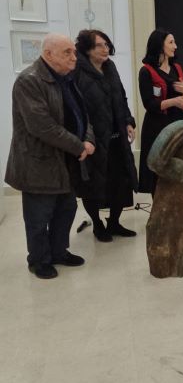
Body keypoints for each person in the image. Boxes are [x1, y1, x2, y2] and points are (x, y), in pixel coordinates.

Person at [5, 33, 95, 279]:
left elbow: (82, 114)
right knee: (39, 216)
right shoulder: (29, 81)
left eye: (73, 51)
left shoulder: (66, 78)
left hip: (66, 160)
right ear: (48, 54)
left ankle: (58, 252)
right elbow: (42, 127)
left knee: (66, 209)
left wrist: (88, 139)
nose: (74, 57)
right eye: (67, 52)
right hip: (39, 163)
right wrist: (79, 146)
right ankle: (38, 260)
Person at [74, 29, 138, 242]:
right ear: (87, 49)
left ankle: (114, 222)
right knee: (93, 184)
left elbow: (121, 97)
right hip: (93, 140)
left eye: (107, 44)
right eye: (100, 45)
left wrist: (128, 121)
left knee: (120, 182)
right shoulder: (78, 72)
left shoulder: (110, 68)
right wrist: (85, 137)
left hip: (117, 137)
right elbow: (77, 108)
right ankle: (97, 224)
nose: (106, 49)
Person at [137, 29, 183, 195]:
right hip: (157, 127)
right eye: (171, 42)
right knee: (158, 171)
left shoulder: (177, 68)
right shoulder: (146, 71)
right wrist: (174, 102)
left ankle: (178, 205)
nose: (175, 46)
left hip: (177, 124)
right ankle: (159, 206)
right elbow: (149, 104)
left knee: (179, 166)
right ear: (160, 45)